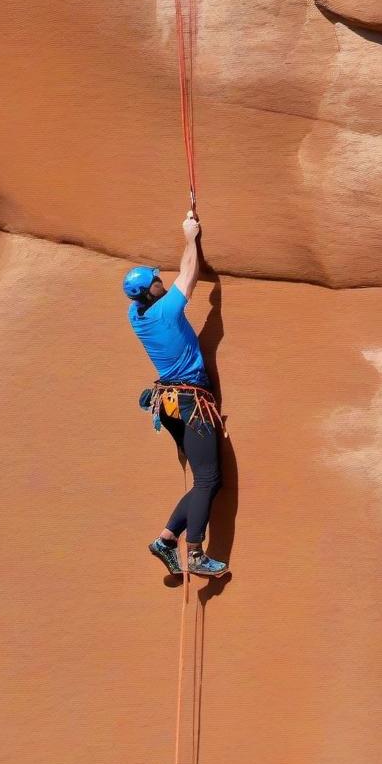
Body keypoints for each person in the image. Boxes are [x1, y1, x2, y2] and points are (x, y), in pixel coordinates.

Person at [124, 212, 229, 579]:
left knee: (204, 478)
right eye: (156, 280)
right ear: (151, 291)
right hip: (190, 402)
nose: (161, 281)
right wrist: (190, 237)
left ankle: (167, 540)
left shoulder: (136, 316)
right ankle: (196, 553)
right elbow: (190, 273)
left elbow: (175, 280)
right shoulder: (166, 311)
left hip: (170, 405)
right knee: (209, 480)